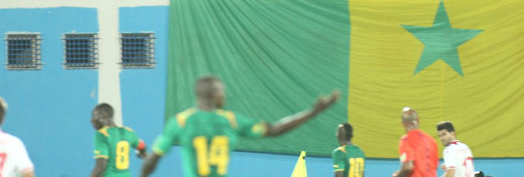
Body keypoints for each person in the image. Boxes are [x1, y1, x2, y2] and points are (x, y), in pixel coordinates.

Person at [141, 75, 339, 177]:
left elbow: (153, 160)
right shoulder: (231, 121)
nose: (224, 94)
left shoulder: (180, 122)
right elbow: (275, 129)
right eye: (221, 91)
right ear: (213, 94)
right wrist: (313, 112)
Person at [90, 103, 146, 177]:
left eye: (95, 116)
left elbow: (101, 167)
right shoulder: (128, 132)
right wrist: (142, 153)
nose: (93, 120)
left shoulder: (102, 135)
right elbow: (142, 145)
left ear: (104, 116)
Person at [391, 108, 437, 177]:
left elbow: (408, 167)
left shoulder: (406, 140)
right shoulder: (432, 140)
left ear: (402, 124)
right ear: (418, 121)